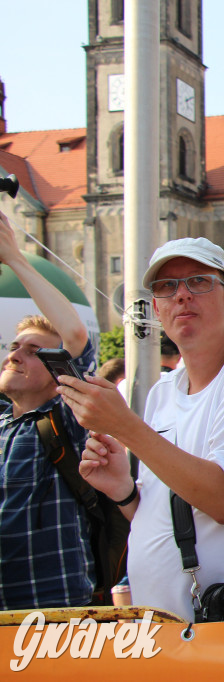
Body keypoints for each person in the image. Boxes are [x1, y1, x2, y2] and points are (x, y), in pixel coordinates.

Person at [60, 237, 224, 618]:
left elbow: (223, 501)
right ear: (156, 306)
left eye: (198, 281)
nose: (181, 295)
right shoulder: (164, 390)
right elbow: (166, 515)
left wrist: (125, 426)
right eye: (166, 286)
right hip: (164, 631)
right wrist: (122, 490)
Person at [0, 209, 97, 609]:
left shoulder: (62, 417)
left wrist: (14, 258)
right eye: (13, 346)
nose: (16, 354)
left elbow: (75, 337)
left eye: (34, 350)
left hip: (48, 611)